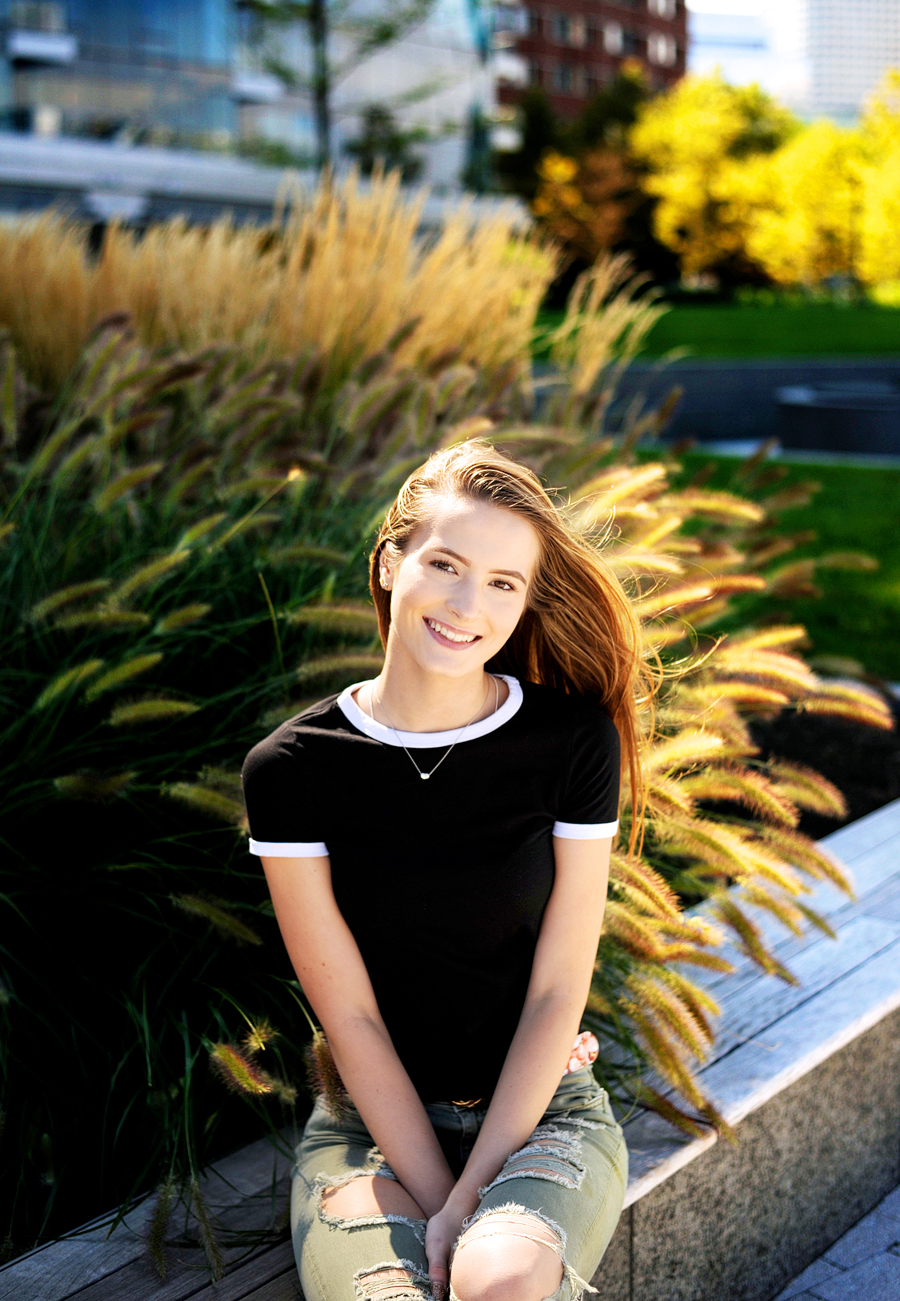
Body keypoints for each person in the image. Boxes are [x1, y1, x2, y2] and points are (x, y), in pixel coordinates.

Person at [240, 440, 653, 1301]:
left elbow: (556, 991)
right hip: (370, 1128)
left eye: (505, 582)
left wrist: (473, 1201)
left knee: (497, 1282)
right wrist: (444, 1202)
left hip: (542, 1110)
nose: (470, 604)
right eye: (446, 564)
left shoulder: (570, 743)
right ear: (392, 561)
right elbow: (349, 1013)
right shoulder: (291, 769)